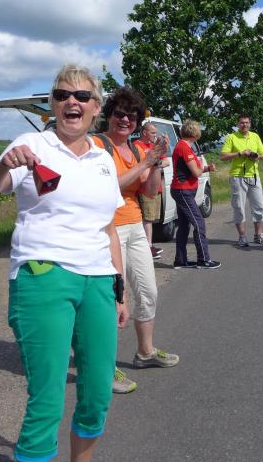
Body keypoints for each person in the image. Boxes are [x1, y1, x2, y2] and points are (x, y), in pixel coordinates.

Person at [0, 64, 127, 462]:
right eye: (62, 95)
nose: (72, 102)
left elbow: (108, 228)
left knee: (97, 392)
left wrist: (119, 290)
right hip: (43, 276)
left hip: (98, 281)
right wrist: (3, 165)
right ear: (53, 105)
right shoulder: (32, 145)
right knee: (47, 397)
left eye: (82, 96)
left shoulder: (103, 157)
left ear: (96, 107)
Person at [92, 87, 179, 395]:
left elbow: (150, 191)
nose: (125, 120)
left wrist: (155, 163)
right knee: (111, 300)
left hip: (134, 226)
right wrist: (144, 164)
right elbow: (107, 187)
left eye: (132, 116)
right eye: (120, 113)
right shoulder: (97, 146)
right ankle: (104, 368)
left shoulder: (137, 150)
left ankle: (145, 351)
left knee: (147, 290)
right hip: (104, 231)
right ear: (109, 114)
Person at [171, 120, 221, 269]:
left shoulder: (185, 147)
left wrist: (207, 168)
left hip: (184, 190)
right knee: (199, 223)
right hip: (183, 190)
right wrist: (201, 168)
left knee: (184, 225)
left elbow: (193, 169)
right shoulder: (184, 148)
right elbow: (196, 172)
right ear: (194, 132)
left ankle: (180, 260)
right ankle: (203, 259)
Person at [220, 114, 263, 247]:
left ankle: (258, 235)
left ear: (250, 124)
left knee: (259, 206)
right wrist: (240, 153)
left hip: (253, 176)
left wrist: (256, 156)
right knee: (239, 207)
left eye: (247, 122)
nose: (244, 125)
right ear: (238, 124)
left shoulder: (255, 136)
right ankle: (242, 236)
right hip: (238, 176)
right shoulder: (232, 137)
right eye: (242, 123)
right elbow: (222, 156)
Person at [134, 121, 169, 260]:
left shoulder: (153, 146)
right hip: (145, 187)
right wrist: (155, 164)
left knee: (151, 218)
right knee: (147, 218)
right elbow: (141, 166)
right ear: (144, 132)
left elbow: (166, 161)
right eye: (153, 132)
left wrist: (156, 163)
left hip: (156, 185)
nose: (155, 135)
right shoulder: (137, 146)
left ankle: (149, 245)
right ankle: (147, 246)